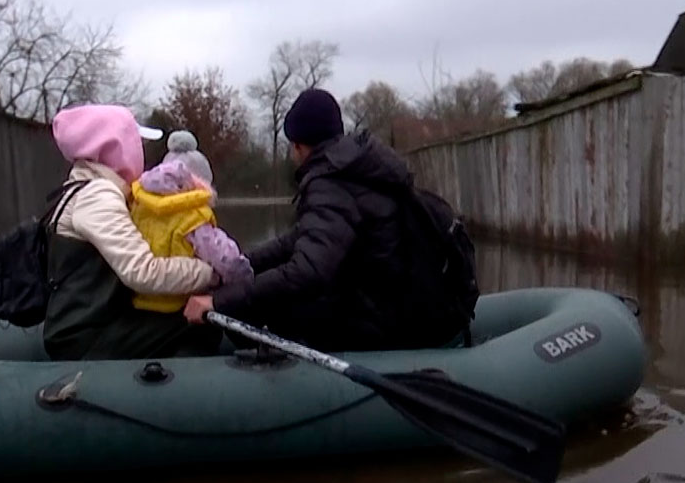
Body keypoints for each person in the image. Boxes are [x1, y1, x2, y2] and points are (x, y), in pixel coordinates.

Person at [182, 88, 451, 352]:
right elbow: (298, 239)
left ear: (299, 146)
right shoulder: (351, 170)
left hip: (378, 317)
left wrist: (219, 302)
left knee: (251, 309)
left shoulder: (331, 183)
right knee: (261, 296)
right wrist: (238, 265)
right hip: (387, 299)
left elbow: (307, 271)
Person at [40, 104, 221, 360]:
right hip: (84, 335)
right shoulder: (98, 195)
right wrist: (211, 273)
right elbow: (143, 272)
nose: (141, 152)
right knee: (201, 326)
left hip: (91, 323)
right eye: (136, 142)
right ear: (117, 147)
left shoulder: (83, 186)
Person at [127, 158, 253, 314]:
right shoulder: (193, 217)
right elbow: (226, 259)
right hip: (182, 306)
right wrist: (246, 281)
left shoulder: (138, 206)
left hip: (141, 303)